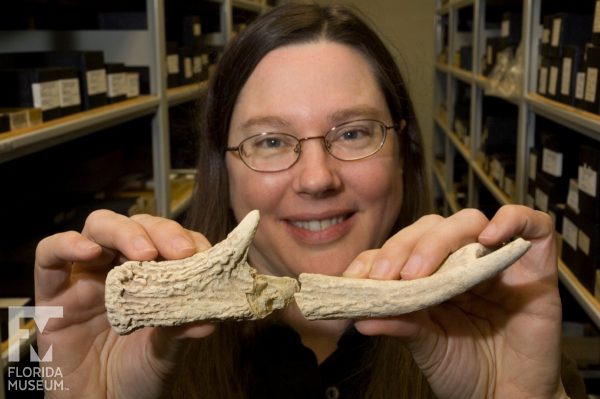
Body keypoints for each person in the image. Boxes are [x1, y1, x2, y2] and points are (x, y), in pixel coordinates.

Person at [35, 3, 579, 398]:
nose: (316, 179)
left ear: (403, 151)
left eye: (353, 133)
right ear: (221, 167)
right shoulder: (138, 347)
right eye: (270, 141)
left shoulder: (505, 334)